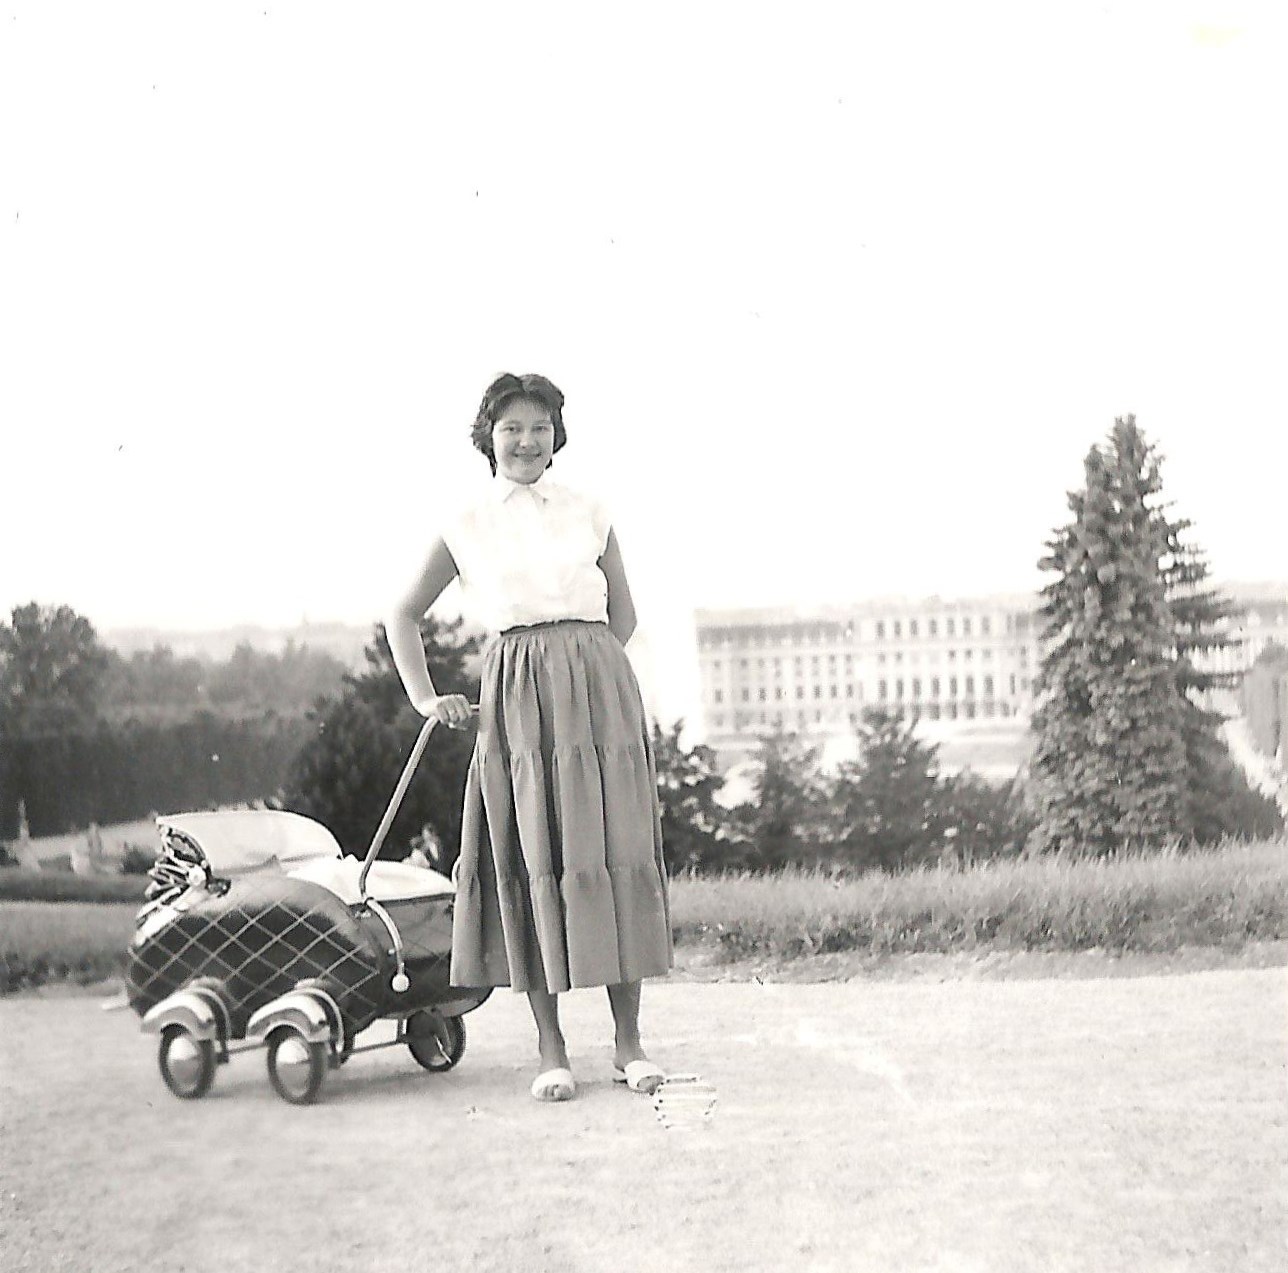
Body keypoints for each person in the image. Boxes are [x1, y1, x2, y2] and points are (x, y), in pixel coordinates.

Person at [385, 372, 672, 1102]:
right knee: (533, 857)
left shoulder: (590, 509)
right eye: (511, 427)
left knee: (613, 853)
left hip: (599, 699)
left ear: (557, 435)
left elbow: (625, 613)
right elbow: (403, 615)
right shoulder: (467, 521)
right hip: (517, 701)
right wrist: (426, 698)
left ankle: (629, 1044)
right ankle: (552, 1049)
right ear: (488, 436)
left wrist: (589, 677)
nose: (526, 441)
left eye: (540, 427)